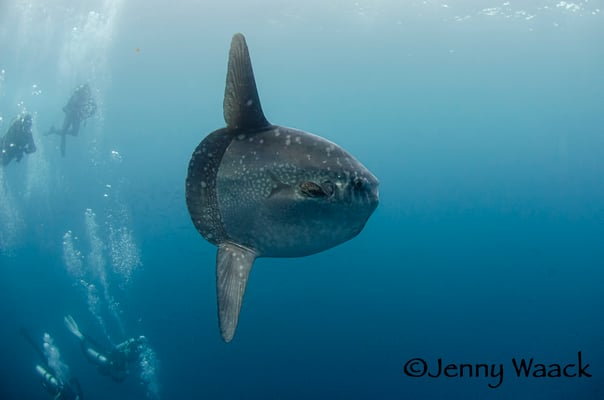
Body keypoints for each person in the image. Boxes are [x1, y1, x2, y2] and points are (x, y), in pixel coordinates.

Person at [64, 315, 147, 382]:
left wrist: (125, 371)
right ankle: (81, 336)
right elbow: (117, 350)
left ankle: (81, 336)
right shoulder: (130, 346)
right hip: (110, 358)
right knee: (94, 349)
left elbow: (117, 351)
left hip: (110, 359)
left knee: (94, 348)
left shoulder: (131, 349)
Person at [20, 328, 84, 400]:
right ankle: (27, 336)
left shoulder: (74, 396)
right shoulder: (75, 396)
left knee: (41, 354)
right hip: (54, 374)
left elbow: (74, 381)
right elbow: (74, 381)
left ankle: (27, 336)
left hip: (53, 374)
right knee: (41, 354)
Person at [47, 84, 97, 157]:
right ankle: (62, 152)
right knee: (63, 132)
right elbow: (67, 107)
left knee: (74, 133)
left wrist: (86, 116)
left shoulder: (89, 97)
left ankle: (53, 130)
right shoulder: (76, 95)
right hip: (70, 114)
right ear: (82, 91)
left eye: (87, 92)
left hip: (77, 116)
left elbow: (94, 108)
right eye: (84, 92)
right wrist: (73, 112)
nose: (86, 94)